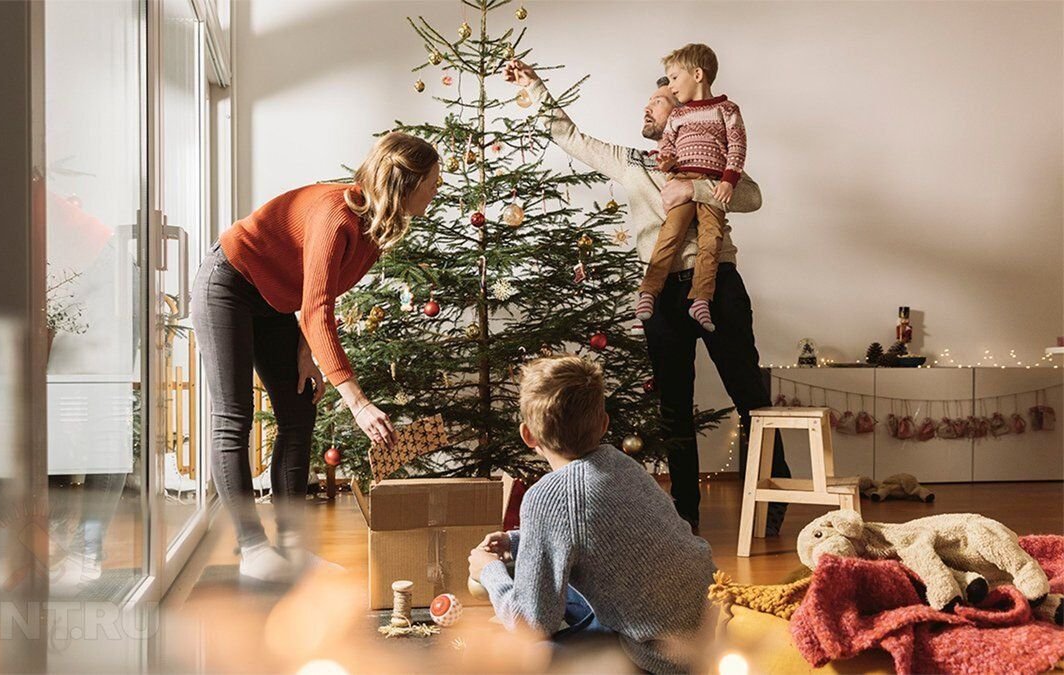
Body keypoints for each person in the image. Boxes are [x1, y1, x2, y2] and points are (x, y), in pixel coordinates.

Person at [503, 59, 789, 534]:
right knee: (674, 404)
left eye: (659, 103)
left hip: (718, 283)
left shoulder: (718, 164)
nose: (648, 109)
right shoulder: (630, 161)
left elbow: (752, 196)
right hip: (661, 295)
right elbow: (571, 136)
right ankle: (686, 514)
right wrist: (534, 86)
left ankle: (774, 504)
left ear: (683, 116)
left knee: (750, 394)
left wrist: (694, 185)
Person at [191, 132, 439, 581]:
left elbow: (320, 293)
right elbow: (317, 308)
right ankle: (251, 548)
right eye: (433, 182)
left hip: (273, 304)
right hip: (228, 283)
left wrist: (307, 353)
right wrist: (358, 402)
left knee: (299, 408)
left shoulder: (376, 229)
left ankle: (291, 547)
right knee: (234, 415)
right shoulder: (336, 213)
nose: (437, 190)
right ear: (408, 181)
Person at [468, 356, 716, 674]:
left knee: (512, 653)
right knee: (564, 585)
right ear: (604, 424)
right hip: (709, 625)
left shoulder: (546, 497)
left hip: (663, 659)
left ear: (528, 435)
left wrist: (489, 572)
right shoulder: (622, 464)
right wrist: (518, 540)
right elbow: (596, 532)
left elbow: (532, 624)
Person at [638, 43, 747, 333]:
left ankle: (701, 298)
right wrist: (668, 164)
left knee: (711, 239)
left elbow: (737, 146)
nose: (672, 86)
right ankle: (649, 290)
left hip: (711, 184)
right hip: (682, 176)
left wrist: (727, 181)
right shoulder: (677, 117)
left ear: (697, 74)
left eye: (674, 78)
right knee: (670, 232)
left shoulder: (726, 109)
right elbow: (669, 146)